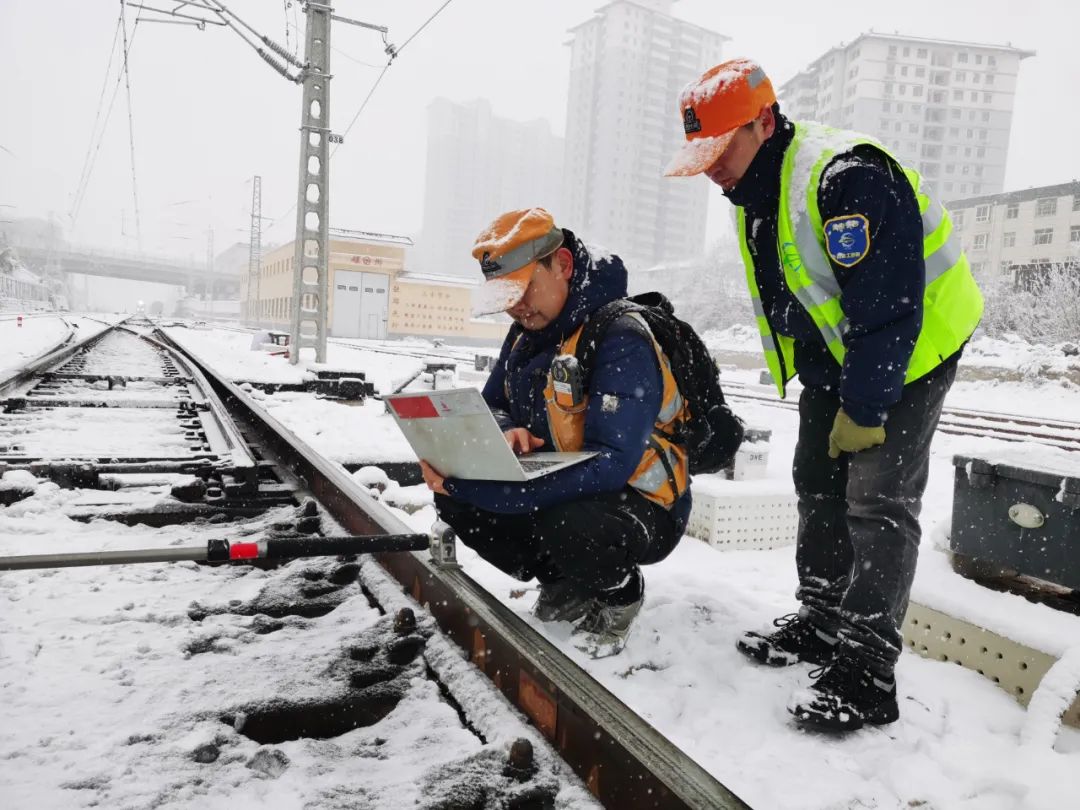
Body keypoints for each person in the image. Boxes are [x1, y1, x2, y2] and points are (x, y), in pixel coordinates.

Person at [665, 59, 983, 731]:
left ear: (763, 121)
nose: (712, 170)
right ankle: (822, 617)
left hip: (914, 342)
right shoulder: (758, 191)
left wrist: (864, 409)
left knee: (877, 498)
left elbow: (887, 307)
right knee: (817, 477)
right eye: (703, 156)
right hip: (845, 351)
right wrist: (822, 390)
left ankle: (868, 669)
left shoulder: (846, 178)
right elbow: (805, 302)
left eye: (720, 151)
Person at [418, 207, 693, 658]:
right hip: (566, 485)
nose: (517, 306)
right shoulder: (525, 334)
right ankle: (564, 582)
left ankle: (620, 594)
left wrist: (492, 490)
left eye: (524, 289)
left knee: (567, 522)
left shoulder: (620, 337)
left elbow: (609, 464)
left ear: (562, 265)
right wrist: (507, 430)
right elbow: (492, 404)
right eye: (506, 296)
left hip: (644, 502)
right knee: (458, 501)